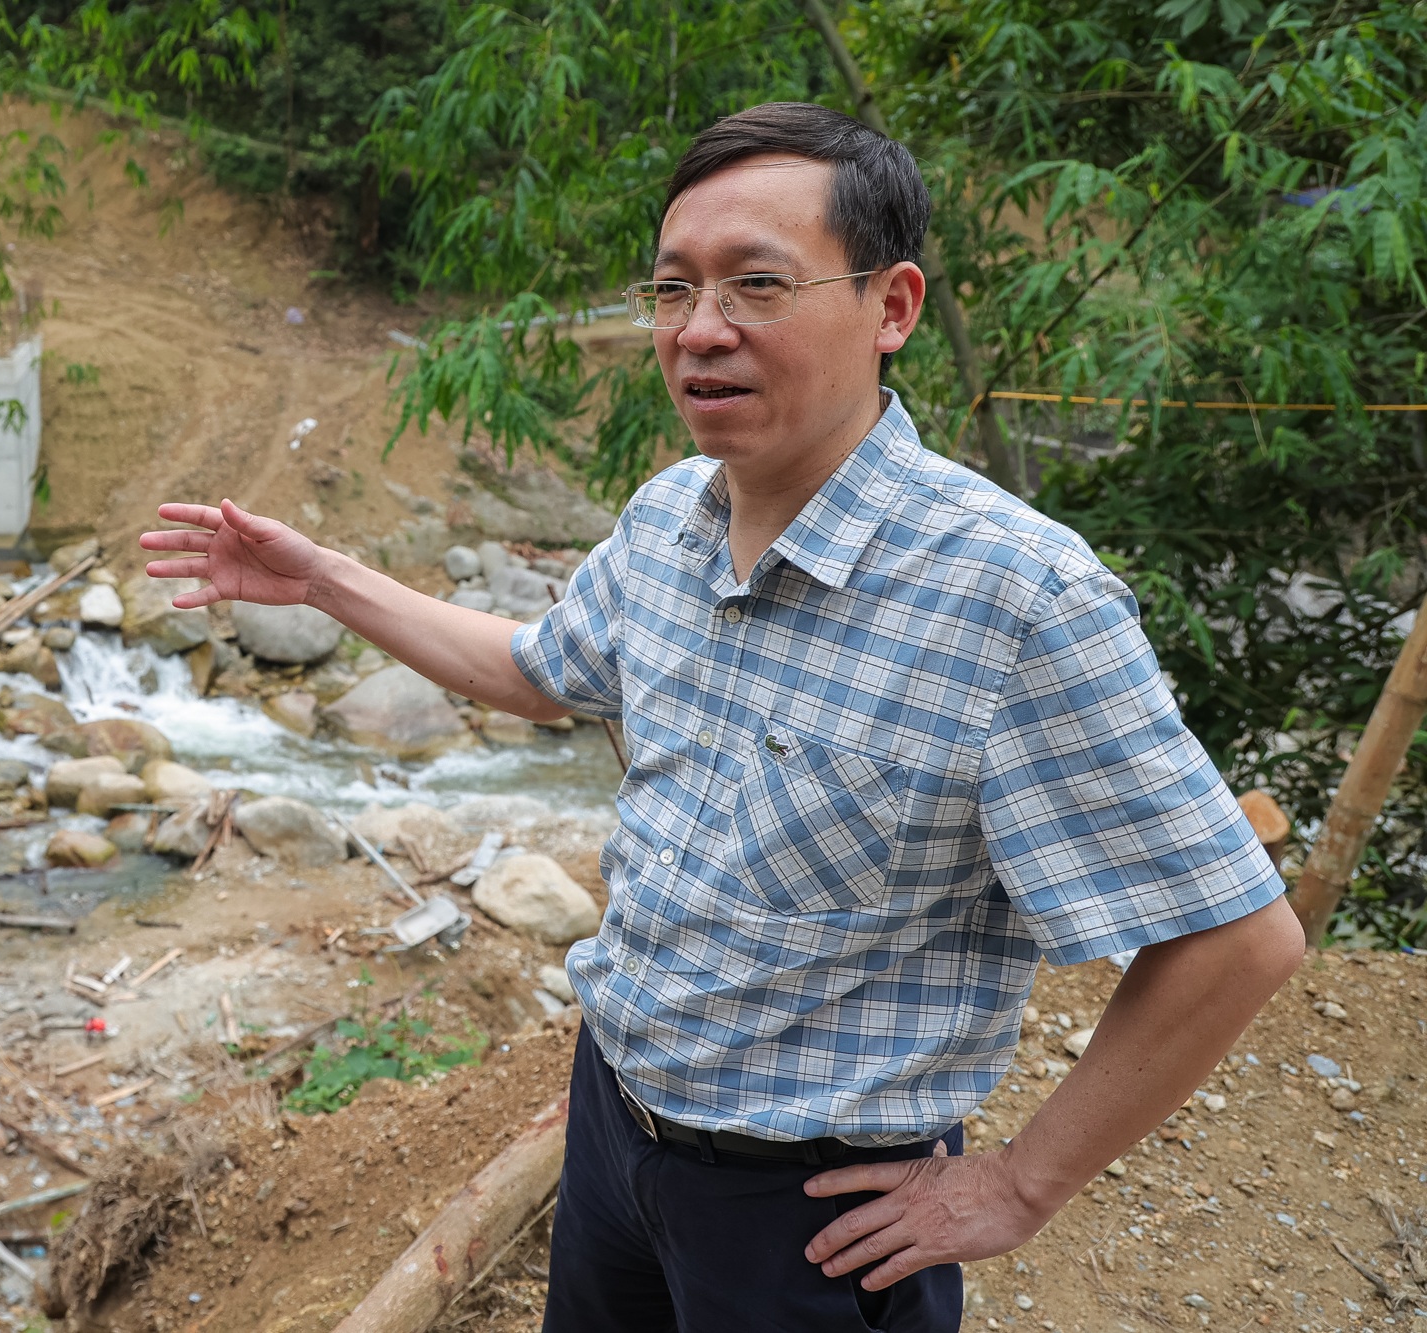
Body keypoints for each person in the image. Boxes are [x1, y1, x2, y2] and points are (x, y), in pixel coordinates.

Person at [141, 101, 1306, 1332]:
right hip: (613, 1133)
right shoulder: (667, 519)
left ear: (891, 307)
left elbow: (1236, 936)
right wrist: (324, 580)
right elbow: (537, 671)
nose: (699, 328)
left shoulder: (1015, 597)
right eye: (672, 289)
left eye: (756, 284)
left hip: (809, 1220)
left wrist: (1020, 1184)